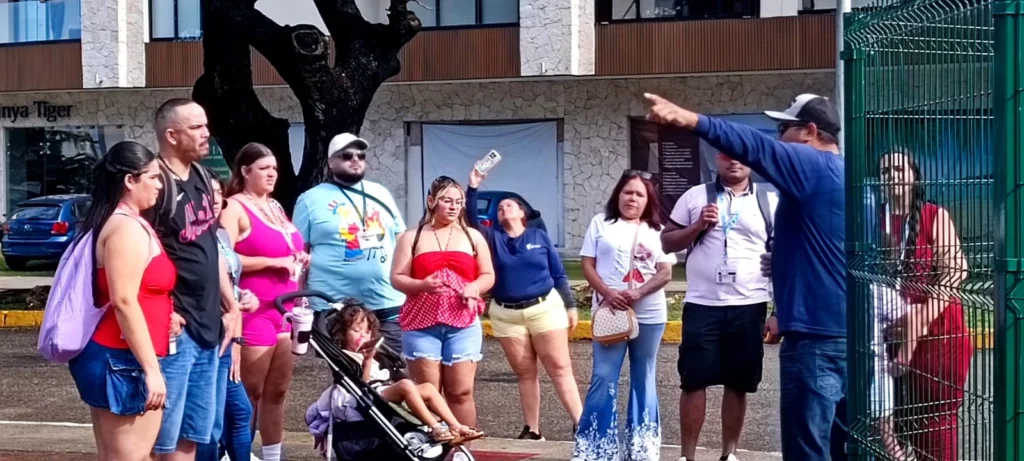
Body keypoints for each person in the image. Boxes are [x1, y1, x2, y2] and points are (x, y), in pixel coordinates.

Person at [645, 92, 847, 460]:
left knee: (809, 450)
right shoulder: (848, 175)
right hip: (848, 334)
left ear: (810, 132)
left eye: (784, 128)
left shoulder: (810, 164)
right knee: (842, 446)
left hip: (814, 338)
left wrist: (691, 120)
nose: (778, 138)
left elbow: (752, 146)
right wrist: (785, 262)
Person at [661, 152, 778, 461]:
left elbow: (782, 256)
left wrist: (778, 311)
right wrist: (698, 225)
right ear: (717, 159)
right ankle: (688, 456)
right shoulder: (696, 195)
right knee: (694, 381)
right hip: (703, 304)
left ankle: (730, 454)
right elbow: (668, 242)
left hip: (750, 304)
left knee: (738, 383)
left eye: (740, 156)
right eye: (727, 156)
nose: (734, 162)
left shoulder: (769, 199)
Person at [67, 141, 171, 461]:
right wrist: (152, 370)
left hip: (116, 356)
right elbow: (124, 301)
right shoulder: (124, 228)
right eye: (152, 177)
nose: (159, 184)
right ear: (130, 180)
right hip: (123, 359)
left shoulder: (118, 222)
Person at [145, 98, 235, 461]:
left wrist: (230, 305)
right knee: (160, 440)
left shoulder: (200, 175)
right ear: (171, 135)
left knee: (195, 435)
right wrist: (164, 311)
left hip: (209, 324)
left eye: (205, 125)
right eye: (196, 127)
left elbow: (209, 246)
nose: (206, 134)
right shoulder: (155, 184)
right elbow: (138, 259)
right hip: (175, 331)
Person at [464, 167, 582, 440]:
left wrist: (571, 305)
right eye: (501, 207)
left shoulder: (539, 237)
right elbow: (471, 218)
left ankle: (580, 423)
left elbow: (558, 273)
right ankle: (533, 429)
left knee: (560, 368)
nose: (504, 208)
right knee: (525, 373)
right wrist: (473, 186)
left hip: (545, 309)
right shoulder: (492, 239)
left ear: (521, 213)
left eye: (510, 205)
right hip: (507, 315)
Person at [572, 170, 676, 461]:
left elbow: (665, 271)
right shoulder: (600, 223)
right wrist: (608, 292)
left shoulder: (657, 230)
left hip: (650, 314)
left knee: (644, 377)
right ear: (618, 194)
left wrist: (638, 293)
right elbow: (587, 265)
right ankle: (595, 449)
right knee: (603, 377)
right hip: (609, 313)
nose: (632, 198)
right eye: (627, 192)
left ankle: (642, 450)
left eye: (639, 194)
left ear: (649, 200)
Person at [878, 149, 970, 460]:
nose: (892, 176)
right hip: (890, 332)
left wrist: (919, 319)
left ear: (915, 175)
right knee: (894, 418)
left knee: (933, 422)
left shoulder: (934, 215)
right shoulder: (875, 219)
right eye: (885, 171)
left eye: (899, 169)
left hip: (938, 333)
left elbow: (955, 271)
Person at [218, 142, 308, 461]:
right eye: (264, 168)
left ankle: (272, 455)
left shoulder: (275, 207)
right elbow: (224, 257)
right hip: (253, 308)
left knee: (278, 391)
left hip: (286, 308)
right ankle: (234, 453)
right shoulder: (233, 207)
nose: (272, 174)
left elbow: (286, 251)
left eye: (274, 168)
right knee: (249, 393)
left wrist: (298, 259)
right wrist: (272, 263)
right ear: (245, 171)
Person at [390, 175, 495, 439]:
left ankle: (461, 452)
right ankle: (431, 449)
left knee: (460, 392)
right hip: (421, 324)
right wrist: (422, 285)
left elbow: (487, 275)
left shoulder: (472, 236)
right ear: (431, 201)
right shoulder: (411, 237)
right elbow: (397, 278)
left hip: (462, 323)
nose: (453, 206)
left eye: (458, 202)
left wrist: (474, 288)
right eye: (446, 200)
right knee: (428, 392)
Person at [293, 133, 407, 353]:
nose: (355, 159)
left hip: (386, 301)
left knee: (389, 371)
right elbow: (300, 254)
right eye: (346, 155)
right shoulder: (310, 199)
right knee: (347, 375)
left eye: (361, 155)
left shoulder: (380, 192)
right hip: (334, 305)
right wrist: (297, 299)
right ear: (330, 162)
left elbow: (401, 239)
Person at [331, 301, 486, 444]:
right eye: (356, 331)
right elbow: (360, 385)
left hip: (384, 388)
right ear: (343, 333)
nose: (362, 335)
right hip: (367, 394)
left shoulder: (374, 351)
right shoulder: (346, 356)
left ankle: (455, 425)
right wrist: (367, 361)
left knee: (428, 388)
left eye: (367, 331)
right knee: (405, 385)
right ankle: (435, 427)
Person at [197, 167, 260, 461]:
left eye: (220, 193)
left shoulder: (220, 233)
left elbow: (229, 280)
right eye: (208, 193)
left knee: (238, 412)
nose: (216, 199)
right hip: (205, 336)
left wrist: (243, 298)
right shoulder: (192, 238)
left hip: (229, 335)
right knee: (210, 422)